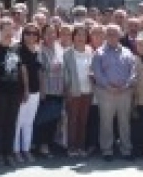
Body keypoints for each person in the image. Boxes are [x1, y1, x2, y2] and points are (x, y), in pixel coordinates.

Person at [92, 24, 137, 160]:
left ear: (120, 35)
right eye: (109, 34)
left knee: (124, 122)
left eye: (115, 34)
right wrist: (108, 86)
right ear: (105, 35)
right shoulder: (99, 53)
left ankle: (126, 149)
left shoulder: (127, 52)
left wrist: (126, 85)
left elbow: (133, 71)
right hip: (106, 92)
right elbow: (97, 73)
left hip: (124, 92)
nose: (112, 37)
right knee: (106, 122)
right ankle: (107, 150)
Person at [0, 18, 25, 167]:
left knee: (11, 122)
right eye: (7, 29)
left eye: (12, 29)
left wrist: (26, 89)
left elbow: (22, 69)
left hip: (15, 90)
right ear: (1, 30)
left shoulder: (18, 47)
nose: (10, 32)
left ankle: (8, 152)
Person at [62, 26, 95, 158]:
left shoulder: (90, 51)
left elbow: (92, 68)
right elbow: (65, 74)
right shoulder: (67, 53)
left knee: (83, 120)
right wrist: (68, 90)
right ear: (73, 37)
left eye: (83, 35)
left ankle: (81, 147)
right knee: (72, 120)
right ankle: (71, 147)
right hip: (74, 91)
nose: (81, 38)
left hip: (87, 91)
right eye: (78, 35)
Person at [35, 24, 66, 157]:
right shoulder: (40, 50)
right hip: (46, 89)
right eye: (48, 33)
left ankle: (49, 143)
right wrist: (42, 90)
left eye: (53, 33)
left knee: (54, 119)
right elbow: (40, 71)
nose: (51, 35)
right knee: (44, 119)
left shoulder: (59, 48)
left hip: (59, 89)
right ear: (43, 35)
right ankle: (42, 145)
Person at [13, 24, 43, 162]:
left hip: (36, 90)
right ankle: (16, 151)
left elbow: (39, 71)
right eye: (28, 33)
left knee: (29, 122)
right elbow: (23, 70)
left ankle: (26, 149)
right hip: (23, 90)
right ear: (23, 34)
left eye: (34, 34)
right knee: (18, 121)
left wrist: (41, 90)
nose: (31, 36)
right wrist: (25, 89)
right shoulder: (19, 49)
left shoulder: (38, 50)